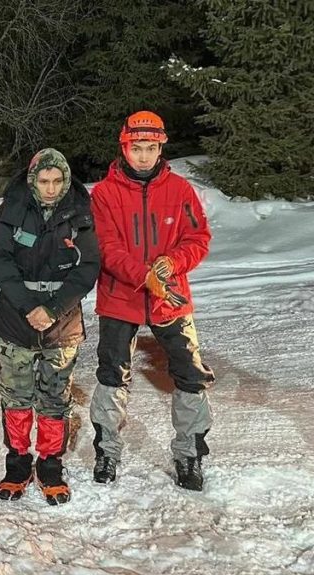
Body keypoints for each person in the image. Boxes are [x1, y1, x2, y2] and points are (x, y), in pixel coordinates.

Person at [89, 111, 215, 491]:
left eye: (150, 148)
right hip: (120, 296)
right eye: (136, 148)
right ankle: (107, 451)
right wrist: (143, 276)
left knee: (190, 373)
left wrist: (171, 263)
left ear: (161, 148)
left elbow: (198, 238)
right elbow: (106, 248)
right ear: (124, 147)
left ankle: (189, 454)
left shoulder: (180, 190)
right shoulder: (104, 194)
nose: (143, 156)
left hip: (170, 298)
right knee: (112, 374)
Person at [0, 148, 100, 505]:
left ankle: (51, 465)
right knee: (15, 395)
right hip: (16, 316)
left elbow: (88, 266)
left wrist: (52, 309)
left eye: (57, 181)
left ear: (66, 181)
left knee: (55, 397)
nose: (51, 188)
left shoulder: (79, 211)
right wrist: (28, 306)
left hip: (61, 320)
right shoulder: (12, 209)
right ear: (32, 180)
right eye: (44, 181)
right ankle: (18, 464)